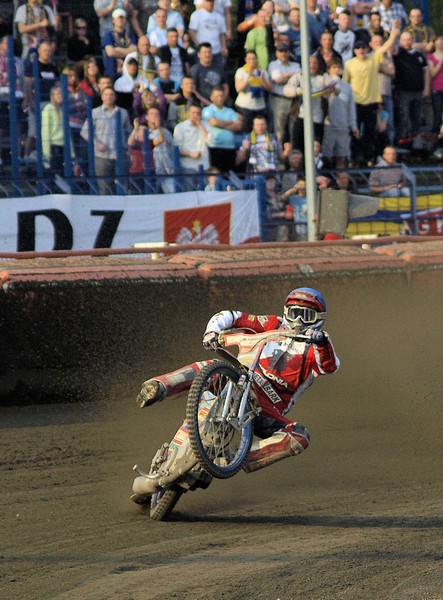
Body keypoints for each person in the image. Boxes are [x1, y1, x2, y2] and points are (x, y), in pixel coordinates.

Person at [135, 287, 339, 483]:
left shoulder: (319, 345)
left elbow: (329, 366)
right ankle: (159, 386)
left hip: (265, 408)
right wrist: (212, 332)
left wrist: (321, 342)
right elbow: (233, 316)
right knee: (211, 366)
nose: (299, 320)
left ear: (319, 319)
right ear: (286, 312)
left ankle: (233, 458)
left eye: (307, 315)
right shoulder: (272, 323)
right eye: (295, 313)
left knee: (300, 436)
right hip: (238, 378)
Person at [342, 23, 400, 165]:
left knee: (370, 132)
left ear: (367, 49)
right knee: (355, 131)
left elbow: (385, 48)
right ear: (354, 50)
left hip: (372, 102)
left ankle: (369, 157)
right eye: (358, 48)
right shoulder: (349, 64)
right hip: (356, 102)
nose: (361, 50)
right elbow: (344, 84)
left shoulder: (373, 59)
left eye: (363, 47)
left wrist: (393, 35)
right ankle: (356, 157)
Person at [80, 86, 132, 194]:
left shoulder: (123, 112)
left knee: (123, 187)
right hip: (101, 156)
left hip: (119, 155)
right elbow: (84, 131)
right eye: (106, 94)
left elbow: (128, 131)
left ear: (115, 97)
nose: (109, 97)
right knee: (104, 188)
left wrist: (127, 148)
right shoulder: (94, 113)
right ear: (102, 97)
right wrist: (96, 143)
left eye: (111, 94)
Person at [393, 31, 429, 143]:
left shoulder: (419, 55)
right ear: (400, 41)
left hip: (418, 91)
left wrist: (426, 88)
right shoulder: (398, 53)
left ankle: (416, 140)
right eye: (404, 40)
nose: (406, 42)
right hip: (403, 91)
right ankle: (402, 138)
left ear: (412, 40)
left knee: (417, 117)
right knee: (403, 116)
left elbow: (426, 71)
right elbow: (390, 48)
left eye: (409, 39)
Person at [322, 60, 359, 169]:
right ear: (329, 69)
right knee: (327, 155)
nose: (336, 70)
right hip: (328, 125)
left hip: (343, 125)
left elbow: (351, 108)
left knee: (342, 155)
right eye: (334, 67)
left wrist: (353, 125)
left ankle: (341, 176)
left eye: (338, 67)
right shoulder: (324, 83)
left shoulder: (347, 86)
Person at [202, 85, 243, 172]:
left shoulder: (230, 111)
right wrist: (230, 122)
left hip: (229, 147)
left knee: (230, 174)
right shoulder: (208, 110)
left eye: (221, 96)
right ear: (212, 97)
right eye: (217, 96)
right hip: (214, 146)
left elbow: (238, 126)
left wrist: (220, 124)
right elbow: (214, 122)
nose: (220, 98)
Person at [173, 101, 211, 189]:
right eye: (193, 113)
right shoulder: (180, 127)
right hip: (187, 166)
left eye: (198, 113)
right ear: (188, 113)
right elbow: (176, 149)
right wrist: (190, 154)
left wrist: (200, 125)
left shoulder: (206, 125)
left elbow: (210, 142)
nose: (195, 115)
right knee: (189, 192)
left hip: (204, 166)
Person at [267, 43, 300, 145]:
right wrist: (293, 76)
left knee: (294, 131)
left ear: (289, 52)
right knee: (279, 131)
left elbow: (300, 80)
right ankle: (278, 152)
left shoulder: (296, 65)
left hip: (294, 100)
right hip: (279, 99)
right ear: (277, 53)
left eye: (285, 51)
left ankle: (293, 154)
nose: (283, 54)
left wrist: (286, 75)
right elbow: (278, 80)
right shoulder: (273, 64)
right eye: (281, 51)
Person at [234, 49, 271, 134]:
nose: (252, 61)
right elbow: (239, 89)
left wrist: (263, 81)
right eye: (249, 59)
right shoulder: (241, 71)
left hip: (259, 106)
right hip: (244, 106)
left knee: (259, 130)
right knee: (245, 131)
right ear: (245, 60)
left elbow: (270, 89)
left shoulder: (262, 71)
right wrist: (248, 77)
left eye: (254, 58)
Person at [188, 0, 228, 73]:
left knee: (218, 73)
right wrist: (199, 46)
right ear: (203, 2)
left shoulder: (219, 16)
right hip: (203, 52)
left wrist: (224, 47)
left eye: (212, 1)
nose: (210, 3)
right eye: (208, 1)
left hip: (217, 51)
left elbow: (222, 34)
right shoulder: (196, 15)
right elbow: (192, 32)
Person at [189, 42, 229, 107]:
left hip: (220, 104)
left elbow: (225, 86)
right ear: (199, 55)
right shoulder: (195, 70)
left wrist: (222, 100)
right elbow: (194, 90)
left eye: (209, 52)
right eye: (204, 52)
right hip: (202, 104)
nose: (207, 55)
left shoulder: (218, 68)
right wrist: (210, 105)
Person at [102, 8, 137, 78]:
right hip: (112, 71)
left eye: (122, 18)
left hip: (128, 71)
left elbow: (134, 49)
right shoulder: (108, 35)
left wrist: (117, 49)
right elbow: (110, 52)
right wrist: (127, 52)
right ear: (113, 20)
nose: (120, 20)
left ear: (125, 20)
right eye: (118, 18)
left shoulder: (130, 35)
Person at [427, 35, 443, 143]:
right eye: (439, 41)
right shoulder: (431, 57)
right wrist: (441, 62)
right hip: (437, 89)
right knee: (438, 114)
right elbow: (432, 73)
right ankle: (435, 138)